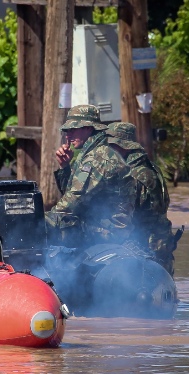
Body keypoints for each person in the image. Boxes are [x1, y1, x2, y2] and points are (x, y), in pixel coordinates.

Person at [46, 104, 136, 248]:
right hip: (99, 225)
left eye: (73, 129)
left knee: (50, 228)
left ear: (88, 128)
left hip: (110, 232)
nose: (68, 136)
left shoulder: (98, 158)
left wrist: (40, 221)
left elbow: (71, 203)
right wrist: (65, 167)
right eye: (67, 131)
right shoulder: (92, 153)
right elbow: (71, 194)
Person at [105, 122, 180, 275]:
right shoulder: (150, 167)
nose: (109, 151)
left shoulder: (133, 175)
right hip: (160, 248)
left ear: (124, 146)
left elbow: (123, 217)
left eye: (112, 146)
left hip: (146, 252)